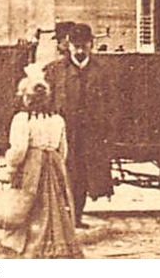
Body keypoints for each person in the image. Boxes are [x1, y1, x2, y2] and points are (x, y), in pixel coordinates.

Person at [0, 68, 83, 258]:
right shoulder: (57, 120)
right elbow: (63, 149)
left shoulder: (22, 119)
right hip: (54, 165)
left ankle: (32, 246)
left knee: (30, 205)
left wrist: (11, 167)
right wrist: (58, 166)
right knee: (55, 206)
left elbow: (19, 149)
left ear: (26, 98)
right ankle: (56, 243)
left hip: (31, 167)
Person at [44, 22, 112, 226]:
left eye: (84, 45)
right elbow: (48, 102)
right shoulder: (55, 71)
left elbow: (111, 104)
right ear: (68, 45)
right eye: (76, 45)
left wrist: (106, 129)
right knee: (62, 173)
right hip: (64, 132)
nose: (80, 50)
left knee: (82, 174)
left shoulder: (102, 71)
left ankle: (76, 216)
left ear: (91, 44)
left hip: (90, 134)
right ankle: (63, 216)